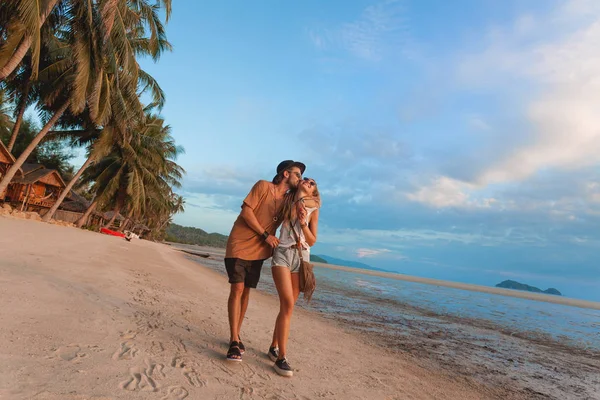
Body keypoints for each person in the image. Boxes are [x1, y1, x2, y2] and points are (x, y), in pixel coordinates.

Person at [224, 160, 305, 362]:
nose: (300, 178)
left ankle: (237, 334)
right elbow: (246, 211)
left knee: (246, 291)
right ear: (285, 174)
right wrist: (266, 234)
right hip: (240, 244)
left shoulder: (288, 200)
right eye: (297, 174)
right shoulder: (263, 186)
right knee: (237, 289)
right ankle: (234, 340)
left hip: (260, 251)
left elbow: (307, 201)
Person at [267, 176, 321, 376]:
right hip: (282, 253)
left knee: (286, 308)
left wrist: (304, 224)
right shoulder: (288, 201)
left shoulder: (314, 207)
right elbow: (278, 217)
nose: (308, 181)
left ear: (314, 191)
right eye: (305, 179)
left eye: (312, 183)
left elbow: (313, 240)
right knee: (288, 304)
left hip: (301, 257)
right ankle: (281, 358)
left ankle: (273, 346)